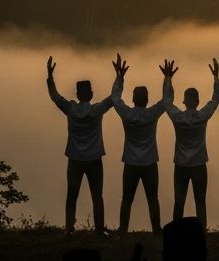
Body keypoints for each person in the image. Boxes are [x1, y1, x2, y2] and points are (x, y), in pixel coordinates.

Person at [46, 55, 115, 235]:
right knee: (97, 196)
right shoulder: (96, 110)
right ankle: (99, 229)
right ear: (91, 94)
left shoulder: (70, 109)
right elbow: (113, 98)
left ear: (77, 95)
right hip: (94, 159)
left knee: (72, 195)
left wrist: (50, 77)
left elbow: (55, 97)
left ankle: (69, 228)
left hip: (75, 159)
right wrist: (119, 76)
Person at [110, 54, 176, 235]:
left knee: (127, 198)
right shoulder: (151, 114)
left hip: (130, 163)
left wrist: (120, 77)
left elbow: (115, 98)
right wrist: (167, 78)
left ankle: (123, 229)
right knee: (152, 198)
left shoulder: (127, 114)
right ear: (146, 99)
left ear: (133, 99)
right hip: (149, 163)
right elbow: (168, 99)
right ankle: (156, 229)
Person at [165, 57, 219, 228]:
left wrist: (168, 78)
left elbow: (167, 101)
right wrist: (216, 77)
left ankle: (175, 232)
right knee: (200, 201)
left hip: (181, 164)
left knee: (179, 201)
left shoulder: (177, 117)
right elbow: (214, 100)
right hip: (198, 164)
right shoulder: (202, 116)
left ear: (184, 101)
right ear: (197, 101)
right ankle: (202, 231)